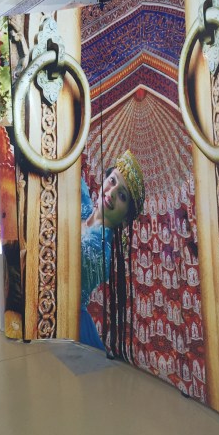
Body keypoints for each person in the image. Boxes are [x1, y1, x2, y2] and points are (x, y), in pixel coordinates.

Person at [80, 149, 145, 353]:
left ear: (125, 220)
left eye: (122, 196)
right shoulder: (83, 207)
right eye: (112, 180)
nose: (113, 192)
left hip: (72, 327)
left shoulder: (100, 252)